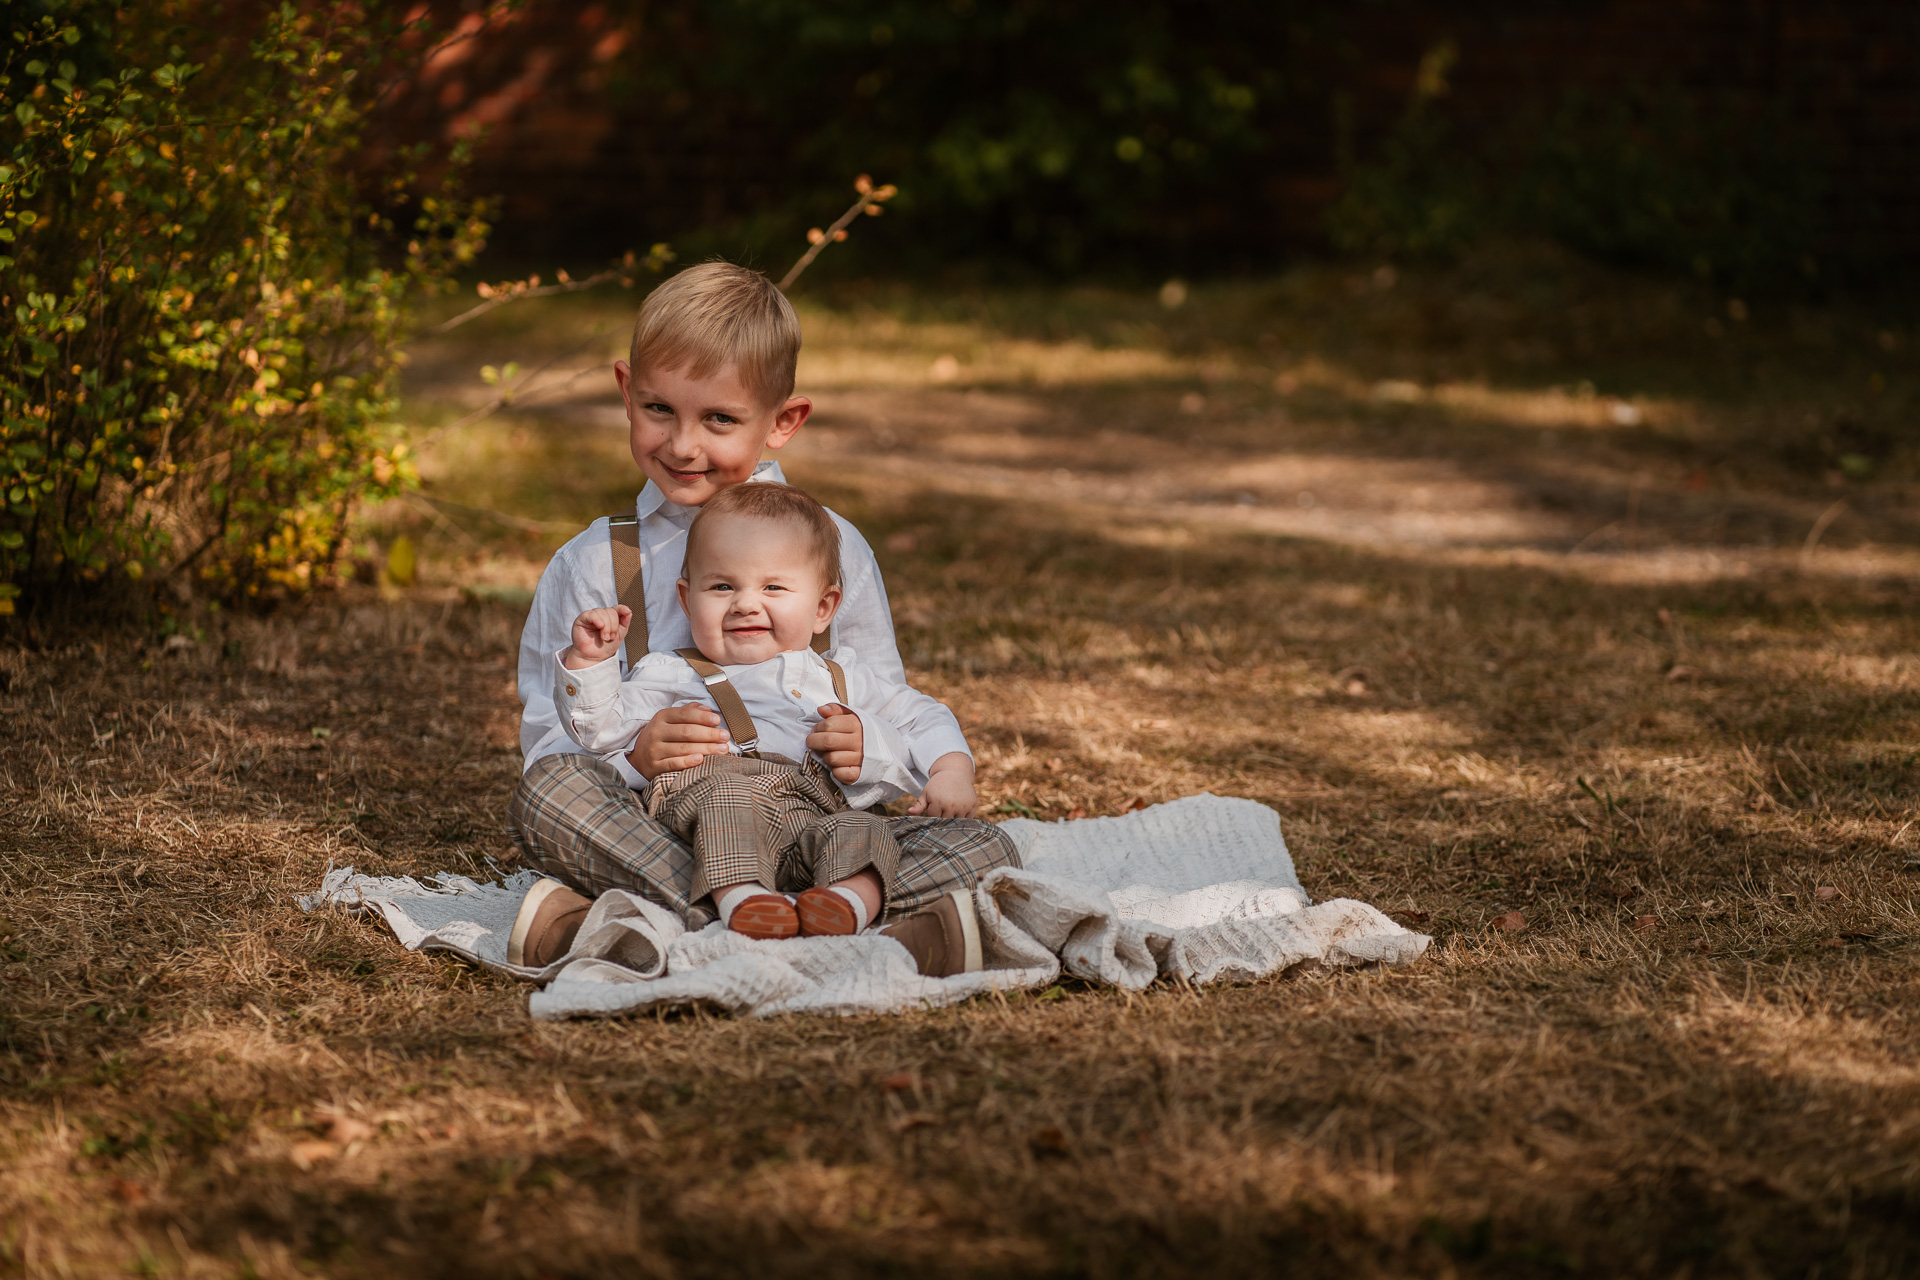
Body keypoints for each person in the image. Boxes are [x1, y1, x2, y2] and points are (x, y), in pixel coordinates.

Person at [505, 260, 1018, 974]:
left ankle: (667, 927)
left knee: (987, 844)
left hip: (821, 835)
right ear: (626, 392)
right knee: (551, 794)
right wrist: (635, 756)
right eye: (659, 409)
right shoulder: (593, 562)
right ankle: (830, 927)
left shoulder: (835, 547)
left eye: (719, 418)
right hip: (670, 830)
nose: (683, 445)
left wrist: (868, 751)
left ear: (783, 422)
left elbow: (888, 706)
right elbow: (548, 744)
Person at [552, 482, 981, 943]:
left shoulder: (842, 677)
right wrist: (590, 663)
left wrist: (951, 772)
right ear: (686, 599)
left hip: (818, 833)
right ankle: (745, 900)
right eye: (722, 586)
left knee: (904, 832)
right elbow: (600, 731)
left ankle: (842, 905)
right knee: (713, 796)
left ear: (823, 608)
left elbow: (922, 716)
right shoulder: (670, 672)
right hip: (712, 822)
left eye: (773, 587)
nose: (745, 603)